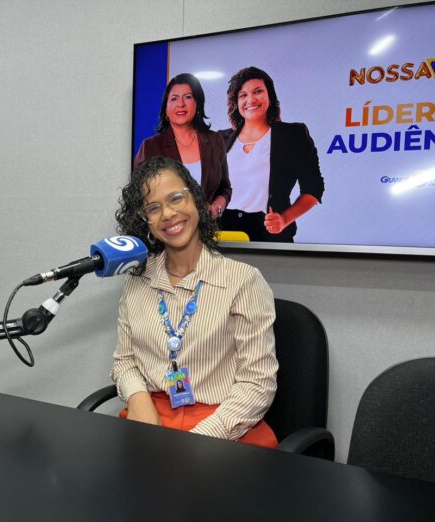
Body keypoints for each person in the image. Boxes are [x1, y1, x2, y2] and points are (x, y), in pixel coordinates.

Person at [111, 156, 278, 448]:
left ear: (196, 200)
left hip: (224, 426)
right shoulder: (137, 280)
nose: (168, 213)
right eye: (153, 208)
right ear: (145, 222)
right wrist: (138, 399)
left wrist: (200, 439)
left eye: (176, 198)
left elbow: (258, 384)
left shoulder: (243, 281)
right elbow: (124, 360)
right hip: (152, 417)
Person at [219, 66, 325, 242]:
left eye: (258, 91)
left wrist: (284, 219)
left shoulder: (293, 135)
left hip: (269, 234)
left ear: (270, 95)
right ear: (236, 102)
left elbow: (313, 188)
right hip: (224, 234)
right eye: (243, 95)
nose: (251, 99)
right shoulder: (220, 139)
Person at [134, 73, 231, 219]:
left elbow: (225, 188)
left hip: (209, 228)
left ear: (197, 103)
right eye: (174, 98)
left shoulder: (215, 140)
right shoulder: (150, 147)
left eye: (188, 97)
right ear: (166, 109)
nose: (181, 104)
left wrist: (217, 205)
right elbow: (138, 195)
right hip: (169, 226)